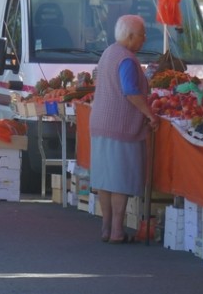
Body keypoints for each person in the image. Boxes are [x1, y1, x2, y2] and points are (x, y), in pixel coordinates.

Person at [89, 14, 159, 244]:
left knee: (104, 179)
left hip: (100, 123)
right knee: (119, 180)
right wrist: (149, 113)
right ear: (130, 37)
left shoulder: (108, 53)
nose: (144, 39)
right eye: (142, 35)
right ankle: (117, 231)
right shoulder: (127, 59)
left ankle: (106, 228)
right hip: (121, 127)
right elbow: (130, 92)